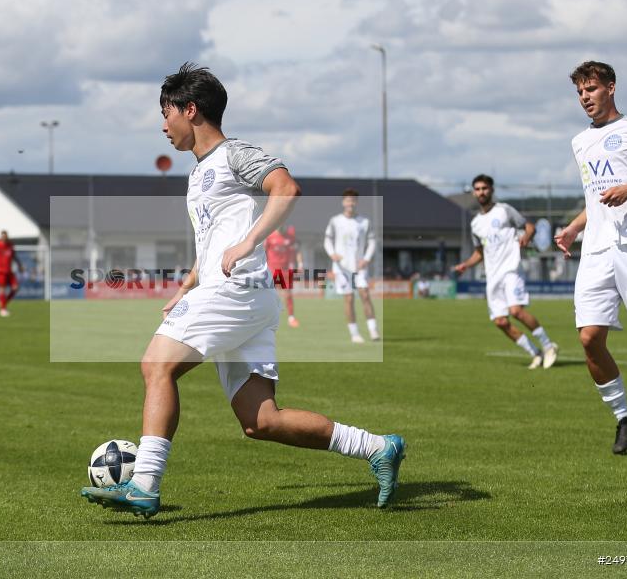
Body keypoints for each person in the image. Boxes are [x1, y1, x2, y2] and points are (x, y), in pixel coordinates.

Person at [80, 62, 405, 518]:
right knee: (261, 421)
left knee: (156, 365)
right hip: (239, 294)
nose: (163, 125)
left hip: (237, 291)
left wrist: (250, 241)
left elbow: (286, 188)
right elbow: (213, 242)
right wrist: (187, 284)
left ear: (190, 110)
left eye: (166, 112)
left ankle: (145, 484)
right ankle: (377, 446)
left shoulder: (235, 155)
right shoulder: (197, 175)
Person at [554, 60, 627, 454]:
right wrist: (573, 228)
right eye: (580, 91)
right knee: (589, 339)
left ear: (611, 87)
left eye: (592, 88)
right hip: (597, 252)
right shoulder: (579, 142)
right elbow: (595, 199)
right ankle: (625, 419)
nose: (585, 96)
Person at [453, 175, 558, 370]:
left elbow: (529, 226)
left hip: (511, 269)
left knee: (516, 311)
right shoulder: (475, 223)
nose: (481, 192)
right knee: (501, 322)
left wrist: (526, 236)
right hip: (492, 277)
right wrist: (465, 265)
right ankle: (535, 353)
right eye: (477, 189)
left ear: (491, 190)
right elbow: (479, 253)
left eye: (484, 188)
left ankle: (548, 345)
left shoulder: (504, 210)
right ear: (474, 192)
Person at [324, 189, 380, 343]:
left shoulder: (364, 222)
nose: (350, 203)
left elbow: (373, 242)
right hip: (341, 267)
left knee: (365, 295)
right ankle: (355, 334)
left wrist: (366, 259)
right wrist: (332, 254)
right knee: (348, 299)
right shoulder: (335, 221)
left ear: (356, 203)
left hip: (359, 267)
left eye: (353, 200)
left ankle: (373, 330)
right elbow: (327, 240)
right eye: (348, 200)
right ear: (343, 202)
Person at [265, 224, 303, 327]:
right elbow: (263, 252)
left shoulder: (290, 236)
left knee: (288, 294)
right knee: (271, 294)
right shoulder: (270, 236)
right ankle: (269, 318)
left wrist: (300, 264)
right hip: (272, 269)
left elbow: (297, 250)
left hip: (286, 269)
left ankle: (291, 318)